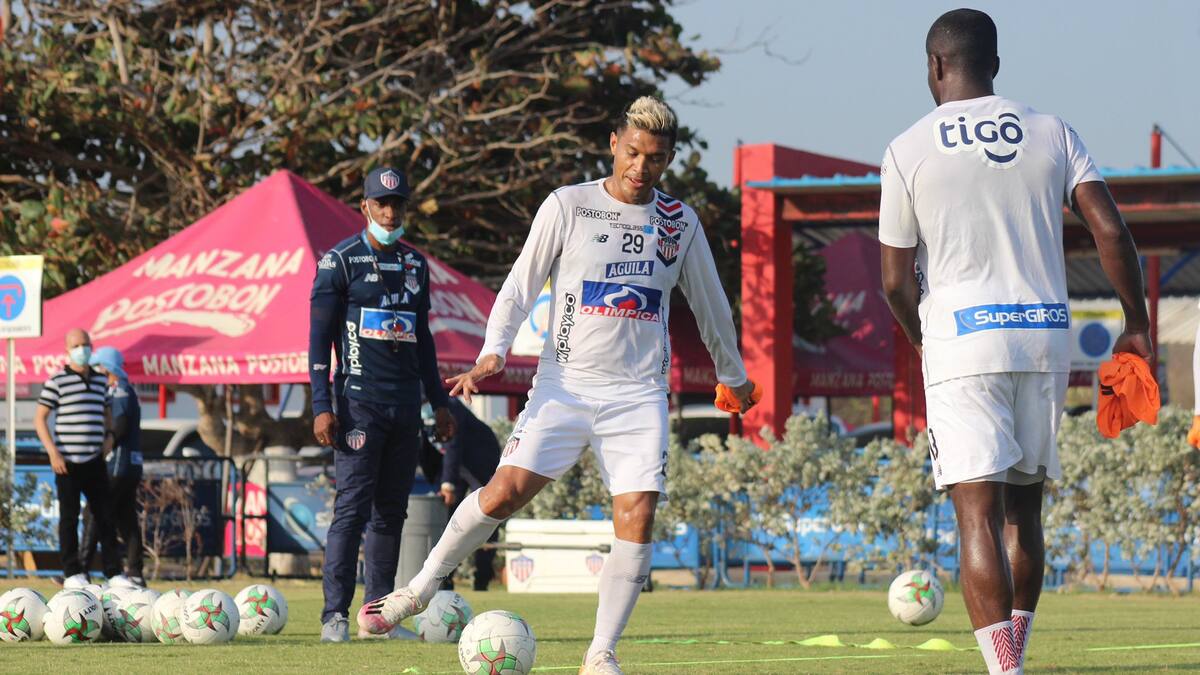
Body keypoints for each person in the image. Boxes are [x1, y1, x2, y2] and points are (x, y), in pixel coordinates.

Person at [363, 96, 758, 675]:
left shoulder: (680, 222)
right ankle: (418, 590)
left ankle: (600, 653)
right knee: (502, 494)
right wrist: (493, 350)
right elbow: (519, 285)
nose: (641, 167)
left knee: (638, 514)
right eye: (632, 152)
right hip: (564, 386)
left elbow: (711, 304)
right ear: (614, 144)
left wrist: (733, 376)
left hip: (638, 396)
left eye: (655, 158)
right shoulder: (568, 205)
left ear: (669, 159)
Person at [879, 10, 1151, 675]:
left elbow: (892, 281)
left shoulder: (906, 148)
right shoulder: (1052, 130)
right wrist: (1136, 323)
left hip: (963, 341)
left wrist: (924, 339)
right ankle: (1014, 660)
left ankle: (1005, 670)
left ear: (935, 66)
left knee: (976, 514)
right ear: (995, 64)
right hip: (1044, 338)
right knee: (1024, 512)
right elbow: (1110, 231)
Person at [309, 166, 457, 643]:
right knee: (351, 510)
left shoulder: (416, 264)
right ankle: (334, 616)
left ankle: (377, 618)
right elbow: (318, 340)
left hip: (405, 405)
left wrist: (439, 402)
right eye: (381, 204)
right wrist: (321, 404)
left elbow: (424, 341)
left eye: (397, 204)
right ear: (365, 207)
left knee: (391, 513)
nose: (390, 212)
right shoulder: (339, 262)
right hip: (358, 404)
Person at [33, 328, 122, 587]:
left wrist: (109, 437)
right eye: (76, 346)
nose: (82, 350)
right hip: (67, 462)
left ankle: (114, 572)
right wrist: (53, 452)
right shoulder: (57, 381)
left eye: (85, 344)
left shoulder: (100, 381)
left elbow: (107, 413)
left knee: (105, 516)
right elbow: (40, 418)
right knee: (69, 518)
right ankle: (72, 572)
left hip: (94, 460)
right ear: (67, 350)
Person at [418, 397, 501, 592]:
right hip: (455, 466)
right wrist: (439, 482)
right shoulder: (413, 408)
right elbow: (423, 447)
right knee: (449, 518)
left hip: (480, 458)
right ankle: (444, 580)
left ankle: (482, 577)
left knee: (488, 513)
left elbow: (453, 446)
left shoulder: (450, 406)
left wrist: (447, 484)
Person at [79, 346, 145, 588]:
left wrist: (104, 446)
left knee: (94, 512)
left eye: (97, 367)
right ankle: (135, 572)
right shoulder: (124, 389)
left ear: (107, 369)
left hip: (118, 463)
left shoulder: (119, 390)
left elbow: (119, 424)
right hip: (129, 465)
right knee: (125, 518)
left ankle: (81, 570)